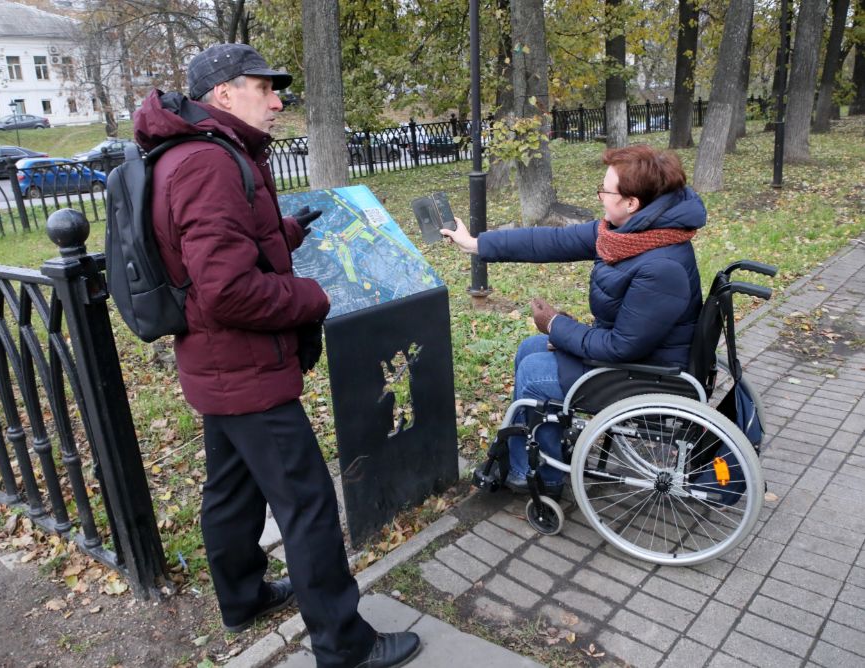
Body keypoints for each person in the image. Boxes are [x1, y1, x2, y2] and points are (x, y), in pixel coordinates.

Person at [133, 44, 420, 668]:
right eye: (264, 87)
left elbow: (218, 245)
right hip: (246, 370)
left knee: (232, 491)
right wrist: (311, 296)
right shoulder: (208, 163)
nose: (277, 99)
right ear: (223, 94)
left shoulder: (202, 152)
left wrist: (286, 233)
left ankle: (241, 598)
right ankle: (345, 644)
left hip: (217, 366)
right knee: (309, 504)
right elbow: (229, 289)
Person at [442, 145, 705, 497]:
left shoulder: (662, 266)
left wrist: (556, 326)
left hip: (645, 375)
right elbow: (552, 240)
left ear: (632, 204)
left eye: (605, 191)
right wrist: (476, 244)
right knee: (529, 349)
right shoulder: (628, 235)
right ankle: (542, 454)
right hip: (635, 359)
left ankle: (536, 477)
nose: (600, 197)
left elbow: (620, 347)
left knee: (535, 375)